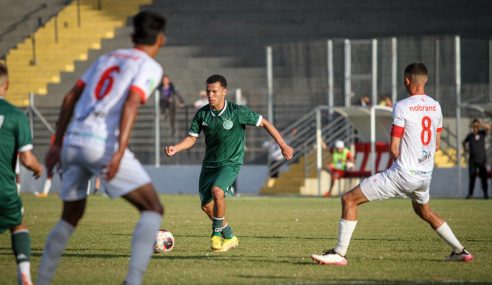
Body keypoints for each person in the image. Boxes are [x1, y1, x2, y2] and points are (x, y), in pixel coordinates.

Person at [37, 11, 166, 285]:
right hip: (101, 144)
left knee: (70, 216)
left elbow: (70, 96)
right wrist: (119, 152)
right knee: (153, 208)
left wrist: (56, 144)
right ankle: (132, 281)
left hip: (73, 140)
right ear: (160, 40)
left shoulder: (106, 58)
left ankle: (43, 280)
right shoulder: (150, 66)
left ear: (132, 36)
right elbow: (132, 102)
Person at [311, 63, 473, 266]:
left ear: (406, 80)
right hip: (425, 176)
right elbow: (437, 145)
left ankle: (339, 254)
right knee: (425, 212)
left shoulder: (402, 106)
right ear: (426, 80)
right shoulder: (436, 106)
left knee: (349, 199)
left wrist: (400, 169)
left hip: (403, 174)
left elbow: (394, 147)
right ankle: (460, 250)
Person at [165, 74, 294, 252]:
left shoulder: (237, 112)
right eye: (208, 91)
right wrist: (176, 148)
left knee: (218, 191)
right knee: (206, 206)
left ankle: (216, 234)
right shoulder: (202, 113)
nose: (211, 95)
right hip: (209, 164)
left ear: (224, 92)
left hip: (231, 163)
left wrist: (283, 144)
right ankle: (230, 237)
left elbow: (264, 122)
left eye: (215, 91)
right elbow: (191, 138)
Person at [0, 63, 43, 285]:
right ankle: (24, 273)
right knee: (18, 225)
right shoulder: (16, 116)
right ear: (7, 85)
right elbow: (27, 159)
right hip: (5, 189)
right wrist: (38, 168)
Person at [463, 118, 490, 199]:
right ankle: (470, 194)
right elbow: (464, 143)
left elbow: (488, 128)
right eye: (474, 127)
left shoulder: (482, 133)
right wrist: (466, 150)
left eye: (476, 127)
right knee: (472, 177)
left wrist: (480, 124)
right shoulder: (470, 136)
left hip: (482, 160)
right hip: (472, 160)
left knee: (484, 178)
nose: (475, 128)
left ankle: (485, 194)